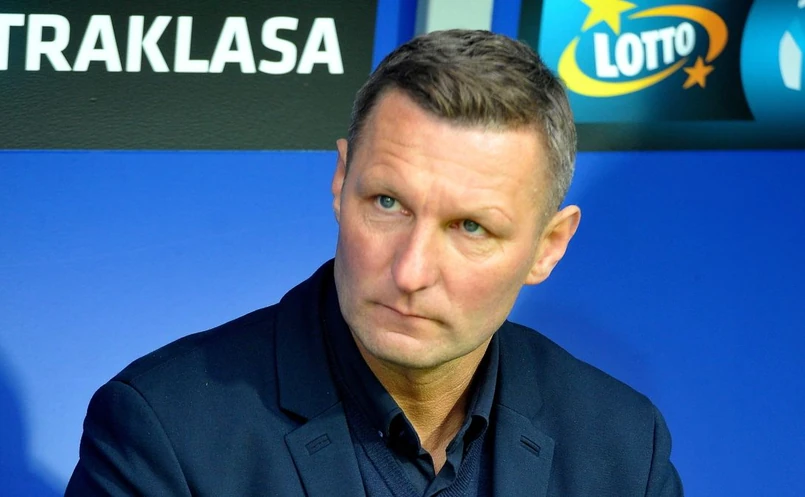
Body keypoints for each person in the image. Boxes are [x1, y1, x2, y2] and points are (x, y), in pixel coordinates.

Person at [65, 29, 683, 496]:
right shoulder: (167, 430)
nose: (410, 271)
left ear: (548, 246)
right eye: (388, 203)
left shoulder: (625, 448)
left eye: (470, 227)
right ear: (341, 182)